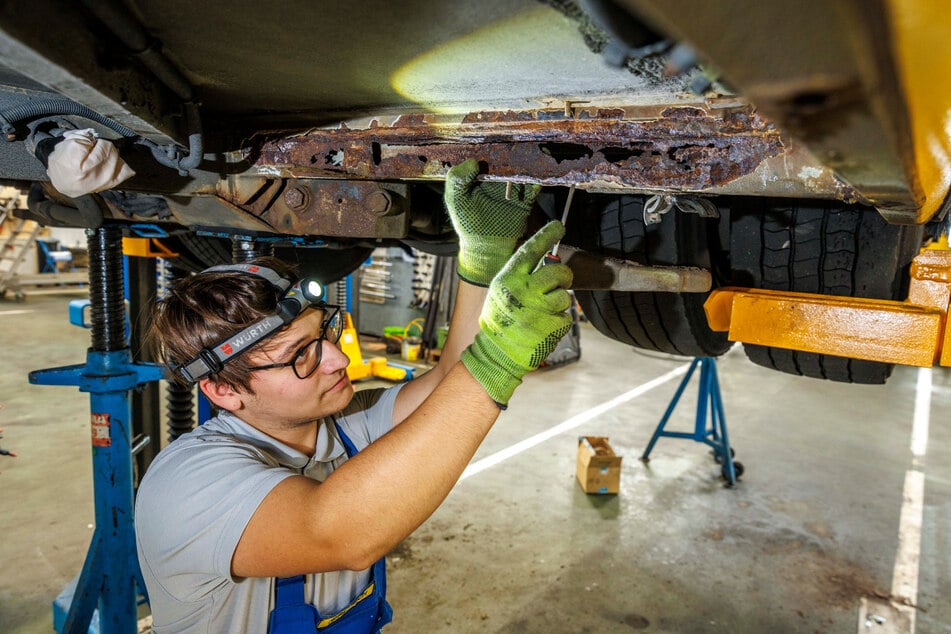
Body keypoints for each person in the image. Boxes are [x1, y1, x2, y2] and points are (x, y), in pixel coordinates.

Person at [135, 158, 575, 633]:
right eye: (300, 355)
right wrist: (498, 358)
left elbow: (451, 379)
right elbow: (341, 534)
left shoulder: (345, 428)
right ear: (223, 390)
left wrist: (483, 260)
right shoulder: (185, 483)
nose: (337, 358)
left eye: (323, 333)